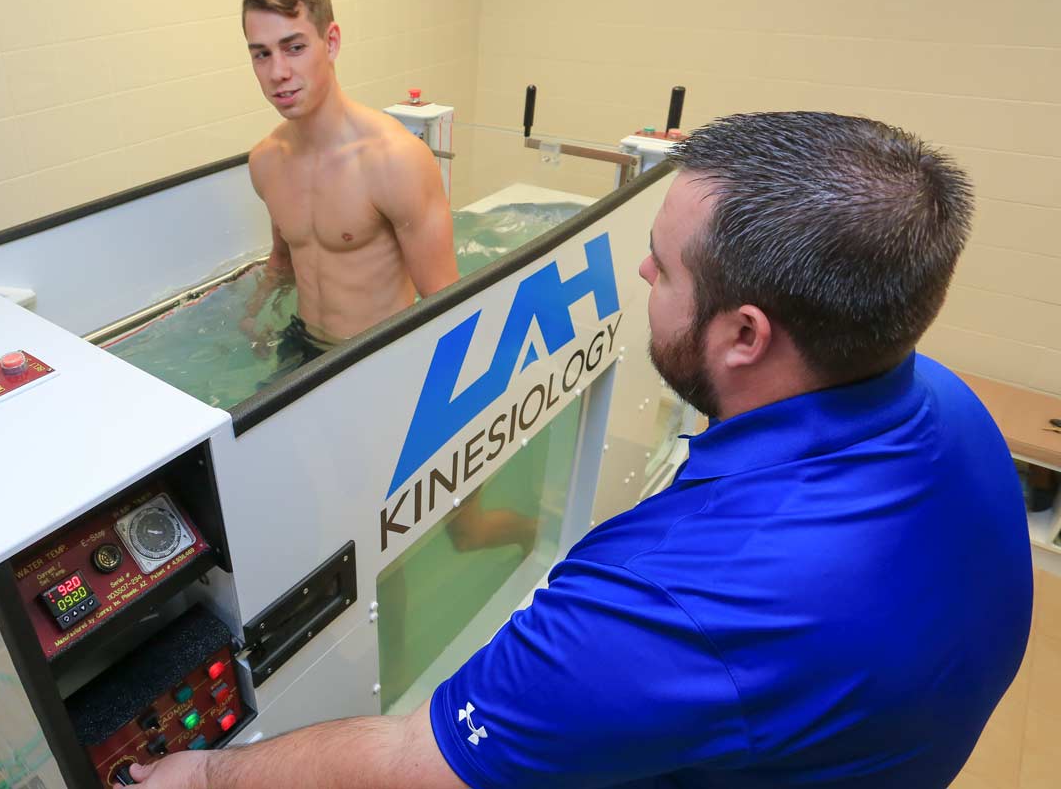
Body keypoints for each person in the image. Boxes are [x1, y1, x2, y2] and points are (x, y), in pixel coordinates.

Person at [124, 112, 1032, 788]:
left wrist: (206, 775)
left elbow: (413, 764)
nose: (640, 272)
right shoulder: (952, 407)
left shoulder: (668, 605)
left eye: (663, 266)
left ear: (745, 335)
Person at [238, 0, 459, 366]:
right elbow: (283, 258)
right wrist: (252, 314)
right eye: (261, 54)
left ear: (332, 42)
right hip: (301, 345)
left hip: (373, 360)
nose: (278, 72)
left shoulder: (396, 160)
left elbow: (447, 302)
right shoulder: (266, 162)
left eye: (295, 47)